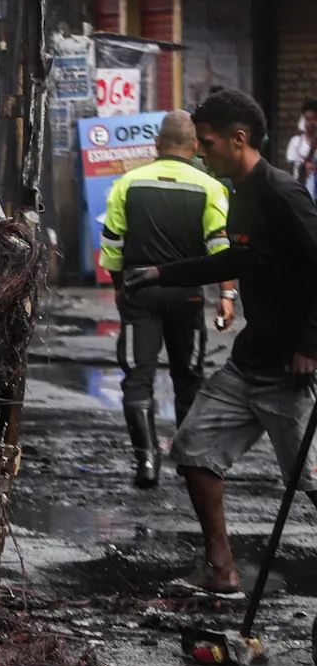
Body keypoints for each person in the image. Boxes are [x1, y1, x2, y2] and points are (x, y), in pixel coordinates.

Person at [125, 88, 317, 597]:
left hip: (290, 375)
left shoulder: (282, 194)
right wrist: (159, 273)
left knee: (312, 482)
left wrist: (310, 346)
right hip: (248, 364)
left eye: (207, 143)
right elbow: (233, 260)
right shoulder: (239, 194)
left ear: (239, 138)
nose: (201, 152)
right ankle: (221, 570)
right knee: (193, 449)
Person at [97, 110, 235, 487]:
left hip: (141, 294)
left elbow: (111, 246)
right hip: (187, 298)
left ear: (156, 145)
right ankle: (189, 462)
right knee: (188, 379)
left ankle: (146, 463)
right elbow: (221, 249)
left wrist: (120, 288)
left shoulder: (127, 183)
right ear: (194, 147)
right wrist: (227, 295)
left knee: (137, 379)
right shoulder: (210, 187)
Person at [286, 98, 317, 202]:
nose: (311, 123)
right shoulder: (296, 142)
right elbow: (291, 169)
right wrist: (304, 165)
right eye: (308, 119)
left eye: (315, 119)